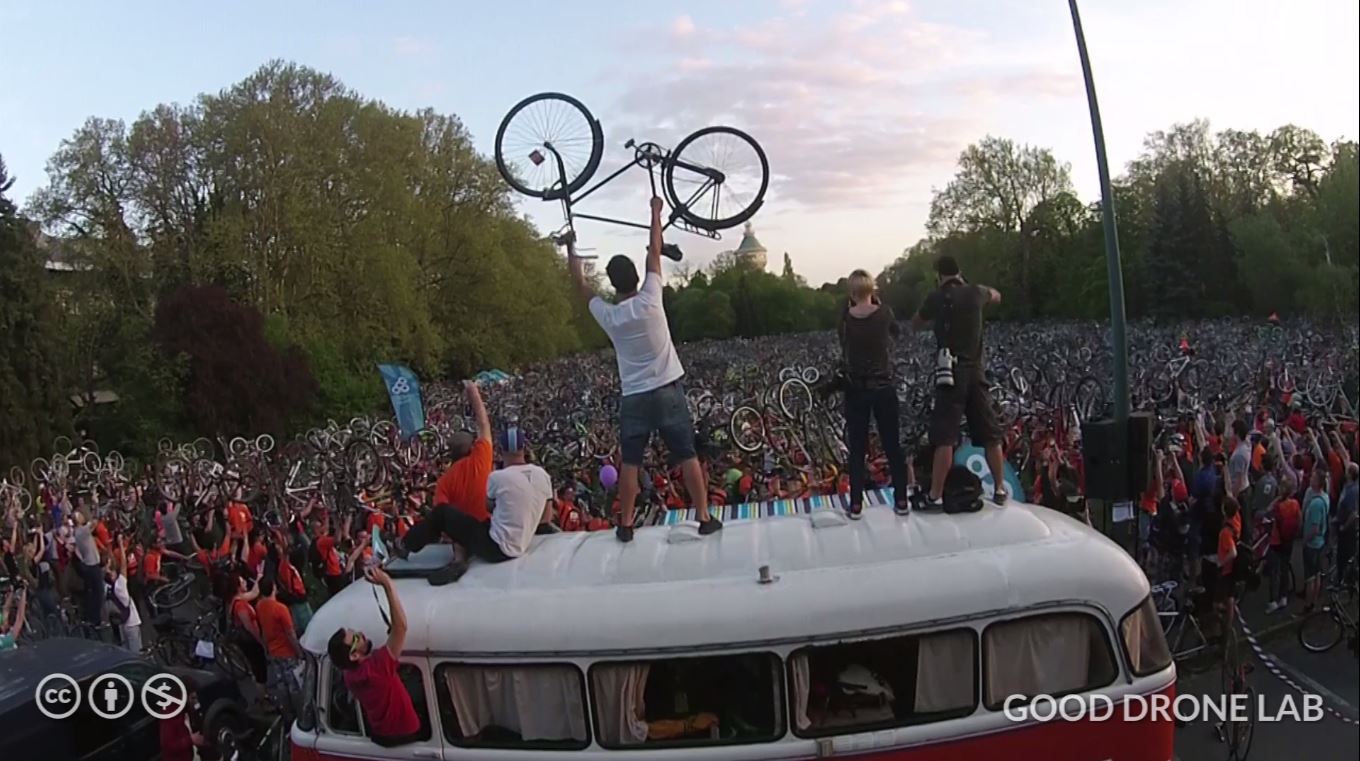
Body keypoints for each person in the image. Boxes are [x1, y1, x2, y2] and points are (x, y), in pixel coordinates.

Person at [567, 196, 720, 542]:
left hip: (634, 395)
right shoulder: (652, 296)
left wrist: (571, 248)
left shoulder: (609, 316)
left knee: (631, 463)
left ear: (611, 282)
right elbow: (654, 248)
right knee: (686, 455)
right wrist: (655, 211)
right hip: (667, 388)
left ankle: (626, 524)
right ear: (638, 276)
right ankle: (704, 516)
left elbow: (579, 285)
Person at [393, 426, 551, 584]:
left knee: (442, 513)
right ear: (524, 448)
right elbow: (546, 517)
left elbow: (488, 507)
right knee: (469, 524)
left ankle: (406, 545)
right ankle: (457, 558)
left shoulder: (497, 477)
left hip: (497, 548)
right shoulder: (542, 475)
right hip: (520, 542)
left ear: (501, 450)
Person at [912, 255, 1005, 508]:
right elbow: (996, 295)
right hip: (976, 372)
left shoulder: (936, 298)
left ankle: (936, 495)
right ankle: (999, 489)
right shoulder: (976, 292)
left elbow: (916, 323)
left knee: (945, 437)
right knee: (990, 434)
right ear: (959, 272)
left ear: (939, 276)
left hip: (949, 373)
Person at [837, 269, 910, 518]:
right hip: (883, 387)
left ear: (851, 292)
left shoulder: (846, 317)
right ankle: (901, 500)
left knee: (857, 449)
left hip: (856, 388)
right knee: (892, 445)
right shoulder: (885, 313)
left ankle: (856, 504)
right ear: (872, 289)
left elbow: (843, 345)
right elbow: (896, 334)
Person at [327, 567, 422, 747]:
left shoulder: (350, 676)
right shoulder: (377, 667)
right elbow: (401, 627)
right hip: (406, 733)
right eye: (356, 637)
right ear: (354, 655)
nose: (361, 634)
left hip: (380, 733)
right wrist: (387, 584)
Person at [432, 381, 494, 524]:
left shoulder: (444, 482)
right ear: (472, 448)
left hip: (463, 538)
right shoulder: (481, 459)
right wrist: (473, 391)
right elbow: (483, 423)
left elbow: (439, 515)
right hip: (488, 530)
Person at [256, 577, 305, 716]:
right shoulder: (281, 609)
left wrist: (267, 648)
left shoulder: (259, 606)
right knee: (294, 686)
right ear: (273, 588)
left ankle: (287, 713)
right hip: (287, 652)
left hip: (273, 652)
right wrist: (299, 652)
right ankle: (300, 714)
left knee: (281, 685)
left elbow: (263, 629)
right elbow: (290, 634)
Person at [1264, 476, 1300, 614]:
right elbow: (1299, 520)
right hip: (1288, 541)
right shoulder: (1295, 504)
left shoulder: (1278, 506)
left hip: (1276, 541)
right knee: (1285, 568)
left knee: (1274, 572)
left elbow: (1267, 511)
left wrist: (1277, 498)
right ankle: (1283, 597)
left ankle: (1273, 601)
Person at [1301, 468, 1330, 612]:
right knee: (1317, 572)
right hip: (1320, 543)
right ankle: (1314, 601)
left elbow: (1315, 528)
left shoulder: (1315, 504)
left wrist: (1305, 540)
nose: (1310, 479)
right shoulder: (1325, 497)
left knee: (1310, 576)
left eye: (1313, 478)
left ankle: (1308, 605)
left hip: (1312, 544)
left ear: (1318, 483)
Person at [106, 542, 142, 653]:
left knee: (126, 651)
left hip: (121, 622)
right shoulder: (119, 586)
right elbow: (123, 566)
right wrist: (121, 544)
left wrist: (109, 551)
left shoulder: (108, 588)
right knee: (137, 653)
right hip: (131, 622)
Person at [0, 585, 26, 651]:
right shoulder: (5, 641)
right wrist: (24, 592)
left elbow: (6, 609)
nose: (6, 621)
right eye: (4, 622)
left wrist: (12, 592)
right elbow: (19, 618)